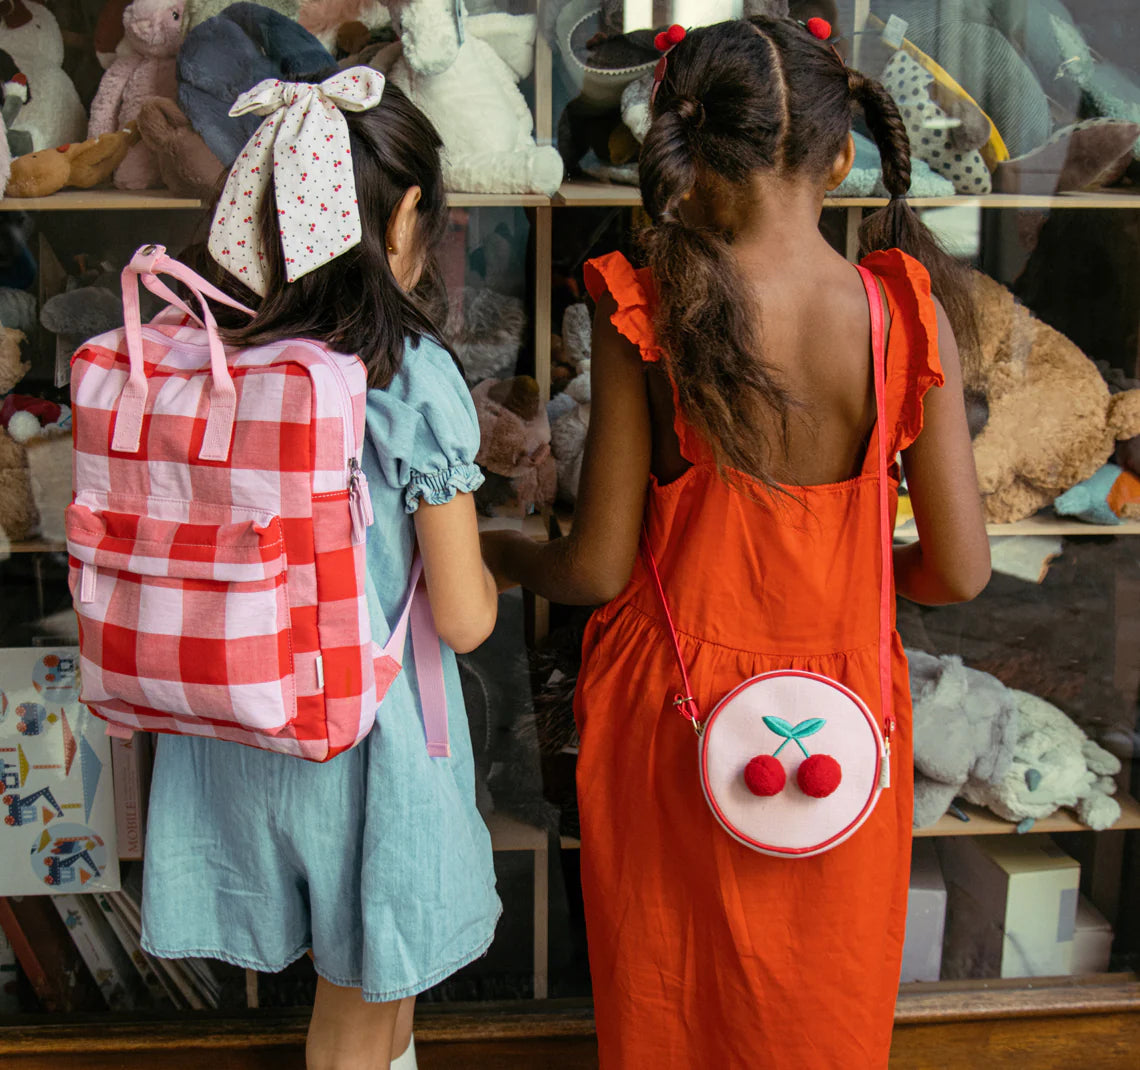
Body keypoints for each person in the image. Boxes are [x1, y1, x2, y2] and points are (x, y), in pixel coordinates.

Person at [481, 16, 991, 1069]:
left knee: (667, 1005)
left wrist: (492, 544)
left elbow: (596, 567)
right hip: (840, 720)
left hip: (670, 707)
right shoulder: (901, 313)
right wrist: (847, 576)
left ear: (683, 145)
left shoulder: (649, 305)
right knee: (820, 1007)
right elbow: (961, 569)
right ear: (841, 155)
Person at [139, 69, 501, 1070]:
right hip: (366, 737)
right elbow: (464, 615)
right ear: (407, 219)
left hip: (234, 720)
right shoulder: (407, 375)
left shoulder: (216, 352)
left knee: (371, 1007)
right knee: (363, 1003)